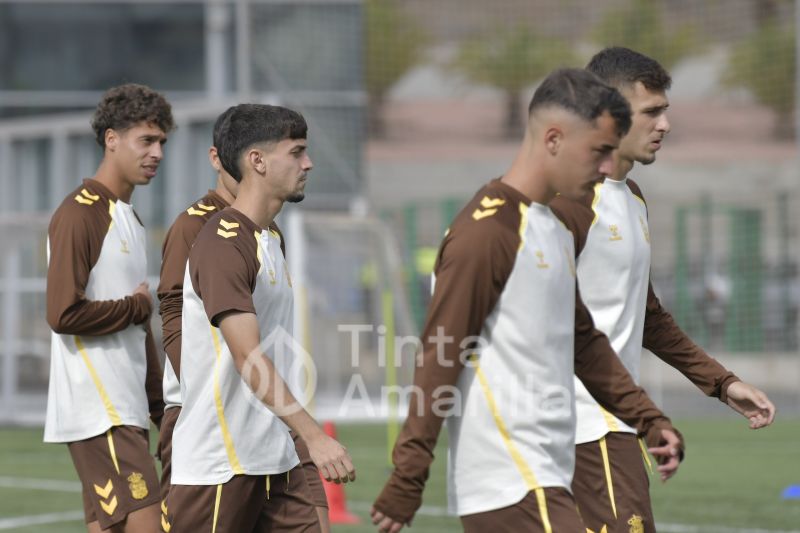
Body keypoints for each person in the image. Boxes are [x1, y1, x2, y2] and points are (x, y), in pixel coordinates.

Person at [370, 68, 683, 533]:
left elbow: (585, 344)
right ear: (553, 139)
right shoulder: (487, 231)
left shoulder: (551, 226)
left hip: (546, 477)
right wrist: (408, 475)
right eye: (598, 151)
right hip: (509, 480)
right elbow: (441, 353)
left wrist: (648, 420)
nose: (605, 168)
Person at [549, 47, 776, 533]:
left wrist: (722, 383)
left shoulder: (631, 199)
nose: (665, 124)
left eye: (665, 110)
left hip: (613, 424)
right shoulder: (564, 202)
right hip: (580, 427)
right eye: (651, 111)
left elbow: (647, 317)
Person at [167, 103, 355, 532]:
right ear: (257, 161)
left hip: (276, 456)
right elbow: (248, 357)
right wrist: (315, 436)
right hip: (222, 462)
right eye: (297, 152)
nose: (308, 163)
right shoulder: (223, 242)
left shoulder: (269, 237)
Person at [44, 83, 174, 533]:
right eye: (146, 140)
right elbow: (62, 314)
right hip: (100, 411)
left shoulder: (130, 219)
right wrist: (136, 306)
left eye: (162, 142)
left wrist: (159, 411)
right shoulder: (80, 214)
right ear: (111, 139)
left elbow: (139, 327)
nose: (157, 153)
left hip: (125, 408)